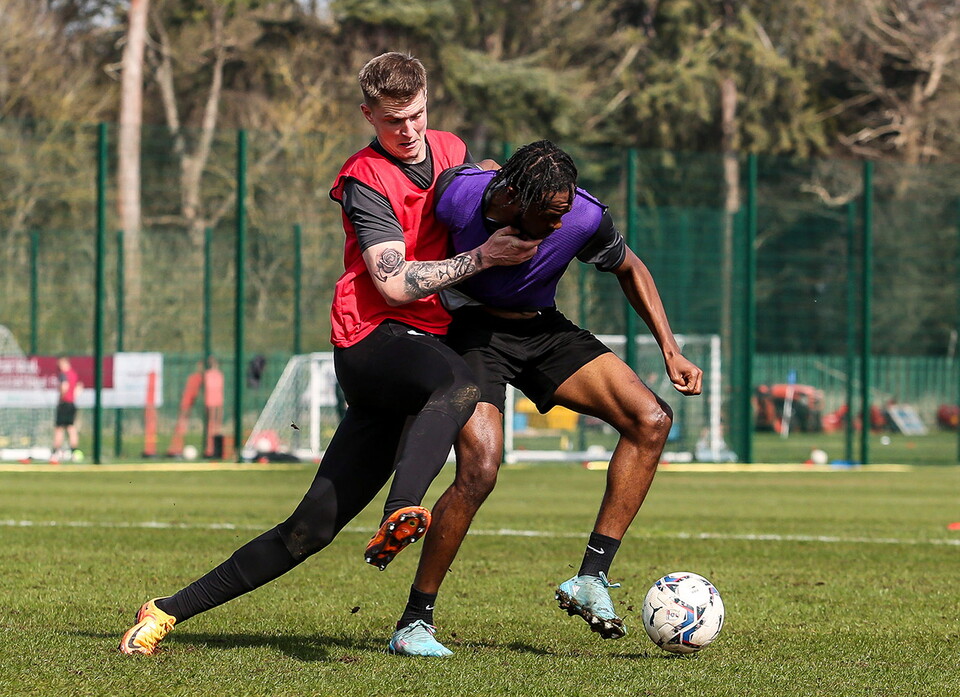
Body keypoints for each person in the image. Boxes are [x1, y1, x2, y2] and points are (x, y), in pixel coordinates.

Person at [119, 51, 538, 656]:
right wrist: (481, 260)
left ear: (428, 102)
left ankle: (164, 610)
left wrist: (512, 192)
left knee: (307, 530)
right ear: (368, 115)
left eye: (417, 115)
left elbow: (475, 197)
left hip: (420, 353)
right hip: (371, 340)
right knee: (457, 382)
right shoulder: (364, 178)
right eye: (393, 121)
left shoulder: (450, 148)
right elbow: (392, 284)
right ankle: (404, 510)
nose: (409, 132)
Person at [387, 140, 703, 657]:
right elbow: (450, 181)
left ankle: (591, 578)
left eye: (564, 211)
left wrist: (670, 350)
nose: (560, 225)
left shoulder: (581, 215)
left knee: (651, 419)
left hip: (540, 331)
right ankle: (414, 623)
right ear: (513, 197)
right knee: (480, 470)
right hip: (471, 335)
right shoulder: (460, 197)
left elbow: (631, 266)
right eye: (548, 215)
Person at [51, 356, 82, 462]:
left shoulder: (63, 375)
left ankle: (55, 452)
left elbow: (64, 387)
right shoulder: (73, 374)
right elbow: (79, 387)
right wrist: (73, 397)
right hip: (72, 403)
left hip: (64, 403)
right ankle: (74, 452)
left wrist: (61, 397)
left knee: (59, 428)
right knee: (71, 428)